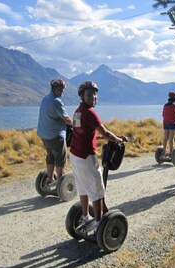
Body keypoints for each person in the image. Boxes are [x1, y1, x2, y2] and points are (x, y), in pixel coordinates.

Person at [70, 80, 128, 234]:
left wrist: (112, 138)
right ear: (82, 95)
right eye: (89, 94)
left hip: (75, 156)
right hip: (86, 157)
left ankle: (85, 216)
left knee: (83, 187)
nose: (93, 97)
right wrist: (119, 139)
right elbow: (105, 133)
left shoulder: (77, 112)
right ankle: (98, 223)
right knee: (97, 191)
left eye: (94, 94)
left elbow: (83, 134)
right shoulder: (90, 112)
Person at [37, 78, 73, 186]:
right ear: (54, 88)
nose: (62, 91)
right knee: (60, 159)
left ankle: (50, 179)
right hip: (55, 135)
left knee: (50, 156)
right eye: (60, 88)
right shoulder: (56, 101)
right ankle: (60, 183)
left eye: (63, 88)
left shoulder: (45, 99)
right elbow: (66, 119)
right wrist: (77, 125)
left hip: (44, 135)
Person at [161, 91, 175, 159]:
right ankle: (171, 152)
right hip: (172, 124)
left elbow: (163, 115)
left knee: (165, 138)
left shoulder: (165, 105)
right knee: (171, 138)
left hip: (165, 123)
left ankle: (164, 151)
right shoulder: (174, 106)